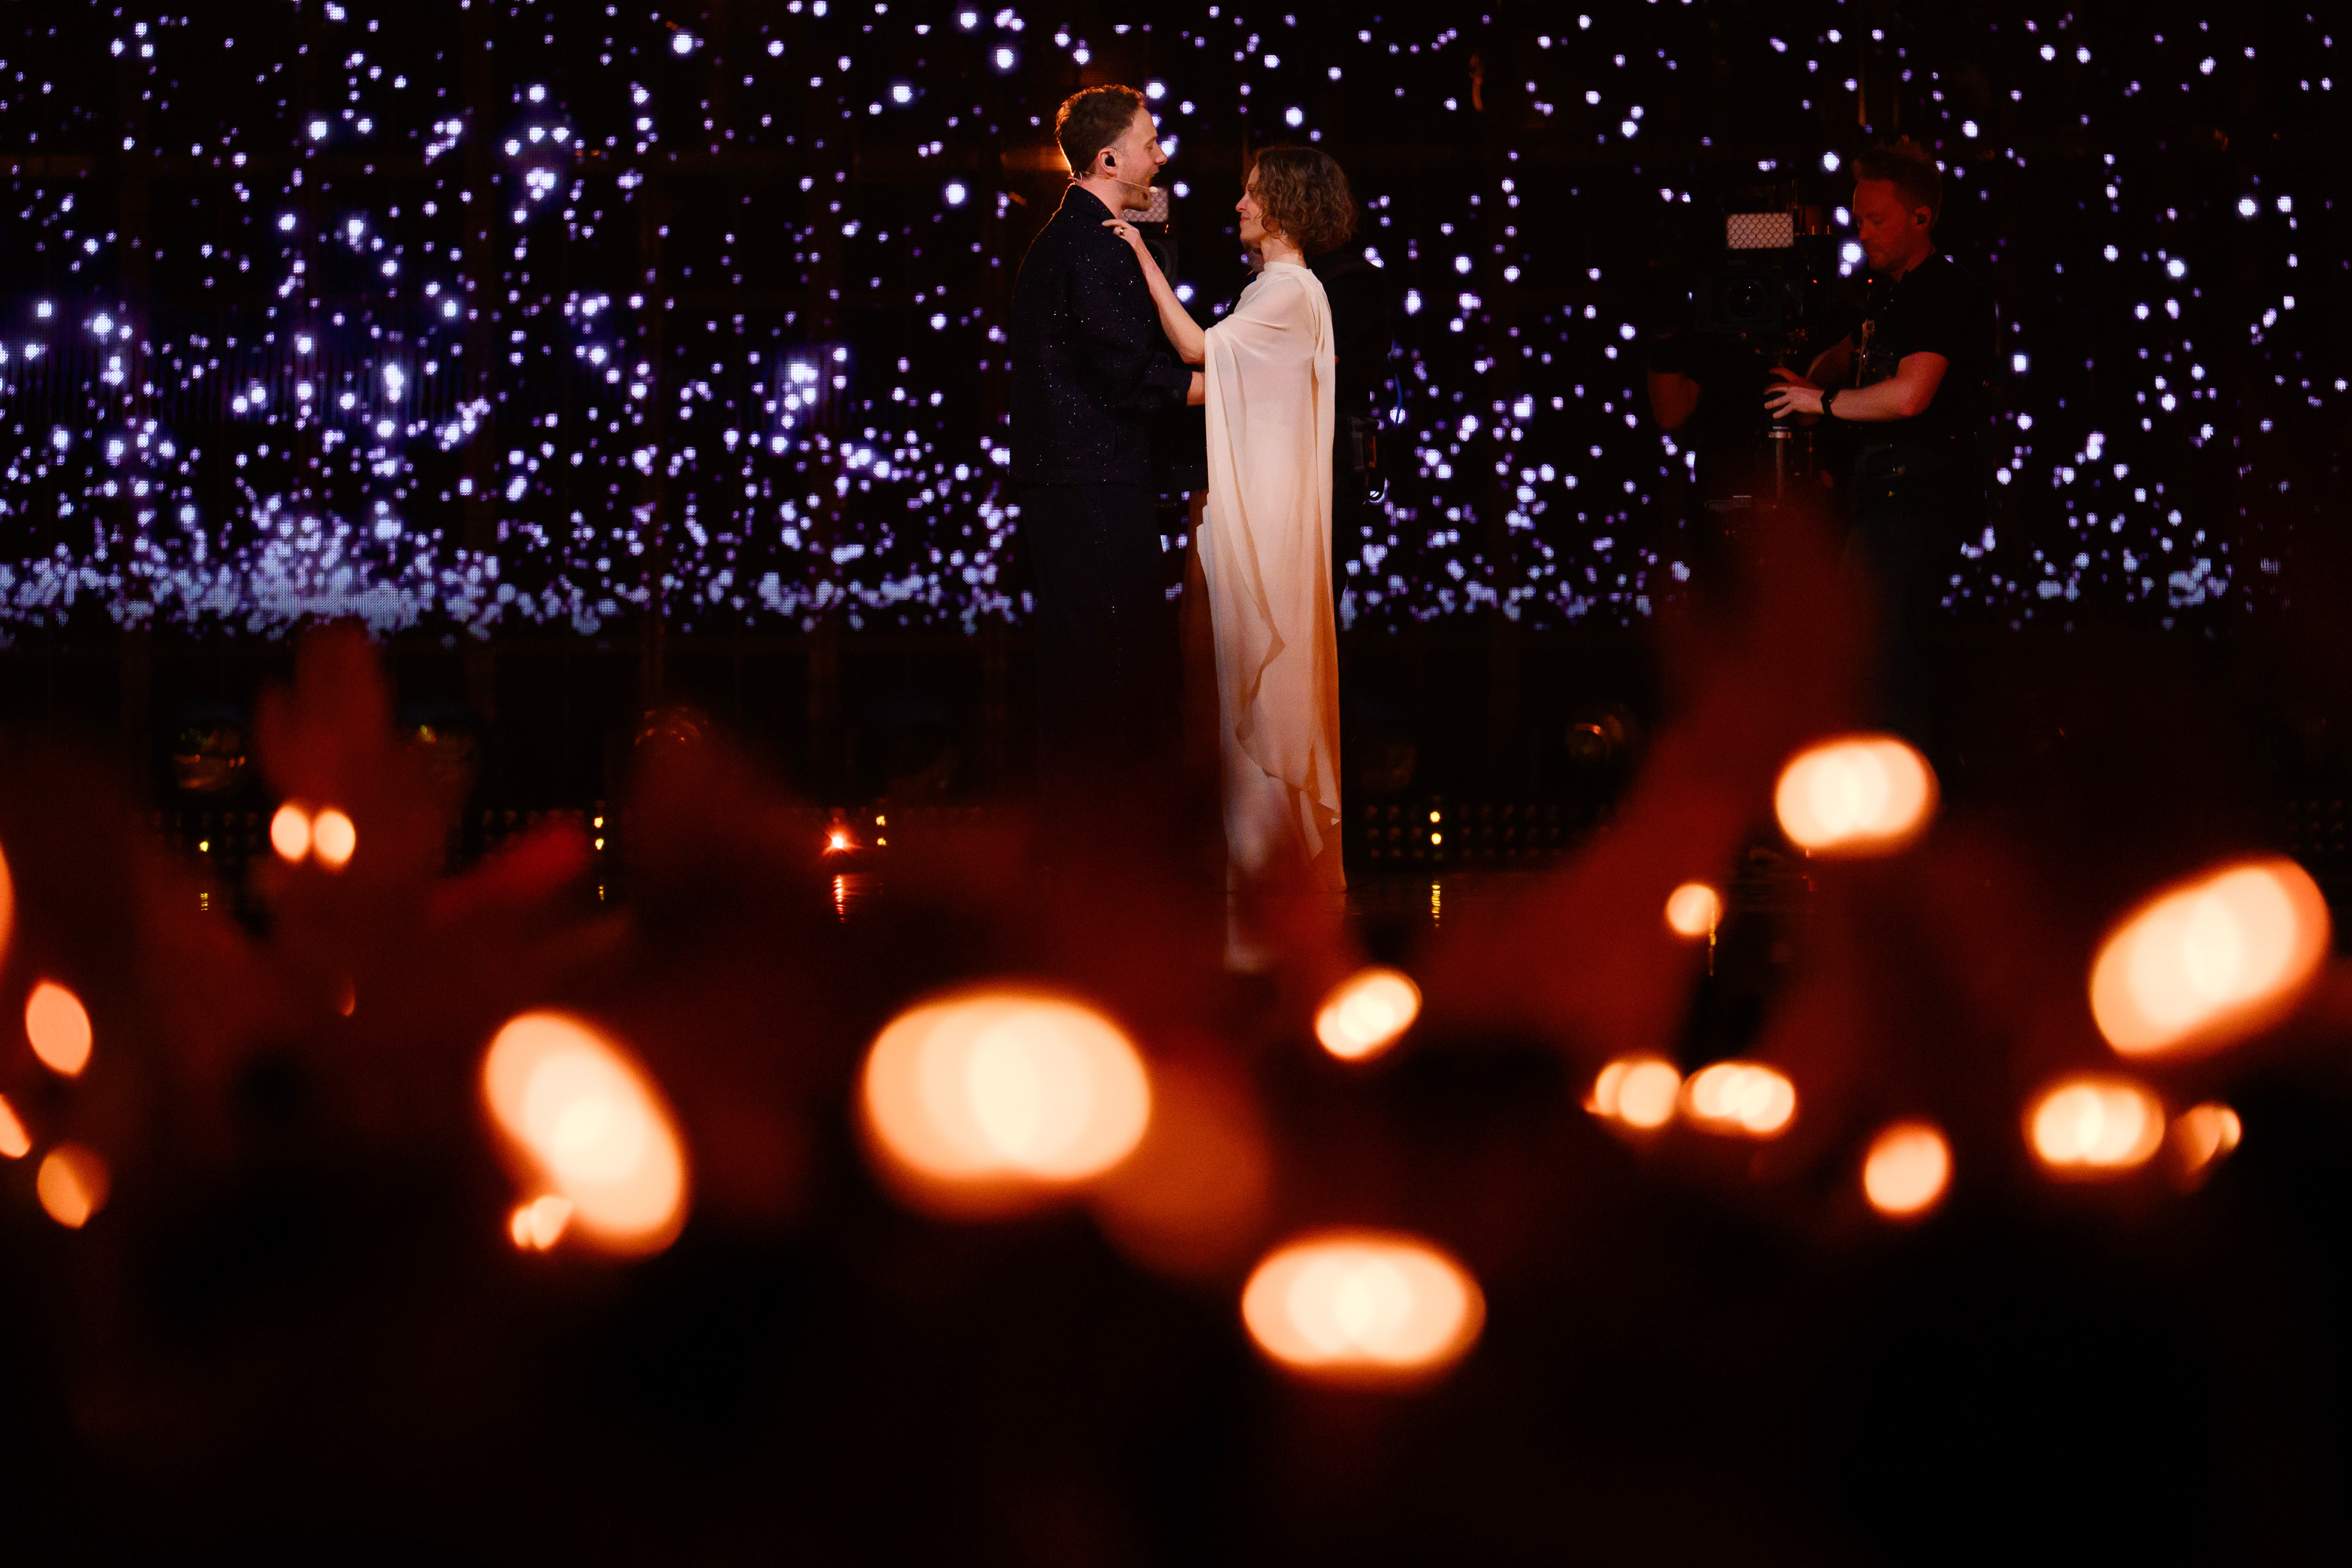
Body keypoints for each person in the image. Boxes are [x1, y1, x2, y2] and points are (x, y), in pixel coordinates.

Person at [1106, 147, 1351, 896]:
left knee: (1256, 670)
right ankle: (1259, 861)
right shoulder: (1276, 292)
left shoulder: (1288, 293)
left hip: (1266, 510)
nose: (1240, 207)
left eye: (1252, 195)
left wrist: (1141, 256)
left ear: (1283, 206)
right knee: (1240, 672)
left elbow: (1195, 349)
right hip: (1259, 498)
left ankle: (1264, 865)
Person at [1009, 86, 1196, 839]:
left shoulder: (1067, 240)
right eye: (1150, 143)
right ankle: (1116, 845)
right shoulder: (1094, 246)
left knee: (1083, 661)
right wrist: (1244, 380)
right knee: (1118, 661)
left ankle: (1083, 841)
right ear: (1109, 160)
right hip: (1095, 479)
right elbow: (1130, 374)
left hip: (1073, 476)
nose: (1162, 156)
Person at [1763, 138, 1990, 741]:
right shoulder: (1885, 299)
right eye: (1858, 219)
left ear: (1921, 218)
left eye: (1876, 220)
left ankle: (1903, 782)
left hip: (1918, 500)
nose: (1862, 233)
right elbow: (1841, 365)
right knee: (1865, 660)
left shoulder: (1942, 290)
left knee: (1888, 667)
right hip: (1881, 500)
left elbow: (1911, 395)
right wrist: (1810, 381)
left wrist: (1820, 402)